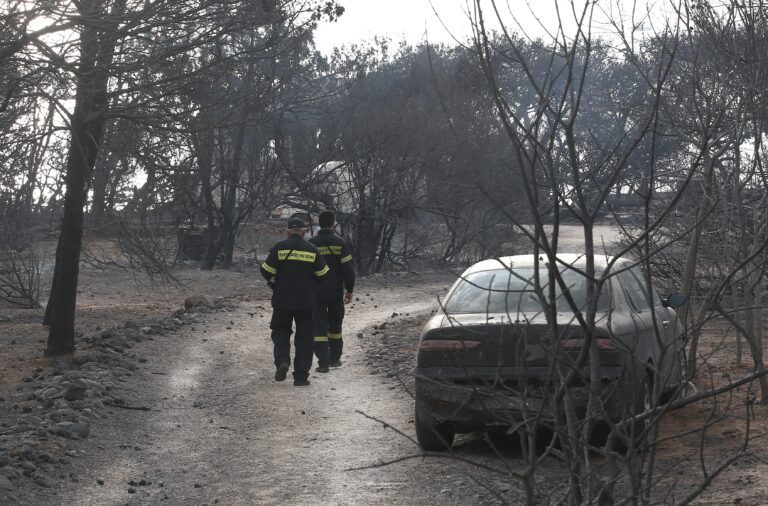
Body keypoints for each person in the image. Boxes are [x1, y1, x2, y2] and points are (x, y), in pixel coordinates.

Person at [260, 218, 329, 386]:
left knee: (281, 332)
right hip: (306, 302)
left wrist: (273, 282)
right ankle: (301, 376)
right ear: (304, 231)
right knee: (305, 338)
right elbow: (323, 274)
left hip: (282, 300)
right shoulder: (312, 250)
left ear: (288, 231)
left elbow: (265, 270)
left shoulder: (279, 247)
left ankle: (283, 361)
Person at [309, 211, 355, 373]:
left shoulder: (311, 244)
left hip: (316, 293)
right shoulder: (340, 243)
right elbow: (348, 269)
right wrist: (349, 289)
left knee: (318, 327)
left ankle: (323, 362)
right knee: (335, 325)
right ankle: (335, 358)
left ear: (319, 223)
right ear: (333, 223)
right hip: (335, 292)